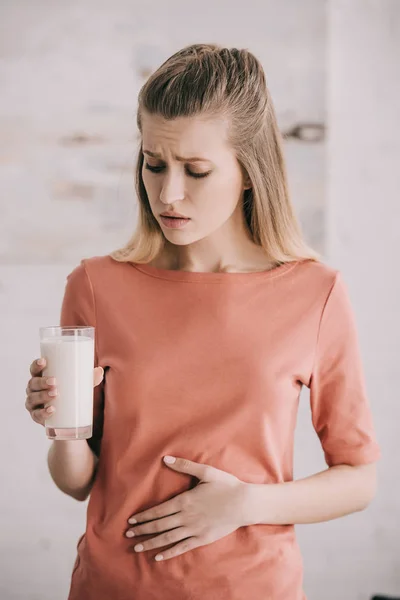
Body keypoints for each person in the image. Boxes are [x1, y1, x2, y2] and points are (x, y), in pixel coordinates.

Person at [25, 43, 381, 600]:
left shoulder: (316, 293)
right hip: (109, 587)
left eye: (196, 170)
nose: (168, 193)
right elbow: (78, 483)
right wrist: (62, 428)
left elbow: (359, 479)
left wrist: (249, 503)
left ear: (248, 172)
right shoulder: (95, 286)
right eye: (154, 163)